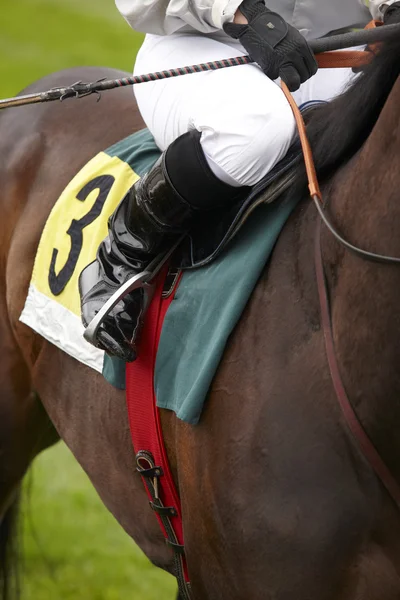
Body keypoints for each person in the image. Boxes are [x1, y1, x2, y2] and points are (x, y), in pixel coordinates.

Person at [79, 0, 400, 362]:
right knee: (256, 130)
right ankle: (121, 256)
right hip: (201, 43)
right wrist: (245, 14)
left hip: (323, 50)